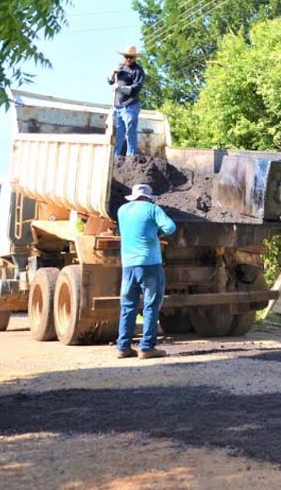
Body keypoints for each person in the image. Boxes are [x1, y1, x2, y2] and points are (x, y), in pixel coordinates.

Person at [116, 184, 176, 359]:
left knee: (128, 306)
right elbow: (170, 227)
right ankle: (147, 347)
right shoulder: (152, 209)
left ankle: (123, 347)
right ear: (149, 197)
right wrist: (157, 232)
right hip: (149, 263)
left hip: (128, 264)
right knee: (151, 305)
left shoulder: (122, 210)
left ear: (133, 196)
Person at [108, 46, 145, 156]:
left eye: (130, 57)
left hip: (130, 106)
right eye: (126, 57)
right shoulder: (120, 68)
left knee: (130, 131)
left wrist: (119, 88)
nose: (128, 59)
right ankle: (116, 157)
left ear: (135, 58)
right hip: (118, 106)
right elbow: (110, 81)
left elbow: (135, 89)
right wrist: (112, 73)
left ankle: (131, 157)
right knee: (119, 133)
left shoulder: (138, 71)